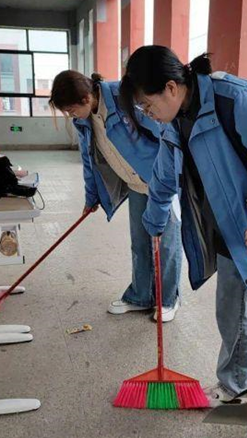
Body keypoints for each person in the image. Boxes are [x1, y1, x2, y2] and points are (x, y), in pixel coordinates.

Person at [118, 47, 247, 430]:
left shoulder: (235, 100)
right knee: (231, 316)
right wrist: (154, 220)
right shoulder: (172, 121)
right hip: (228, 234)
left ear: (171, 87)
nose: (148, 115)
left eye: (148, 105)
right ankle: (235, 385)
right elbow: (164, 174)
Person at [49, 70, 183, 322]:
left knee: (165, 245)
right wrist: (91, 197)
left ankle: (167, 299)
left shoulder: (125, 97)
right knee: (140, 243)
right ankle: (141, 296)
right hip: (135, 184)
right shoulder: (84, 121)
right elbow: (89, 160)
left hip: (160, 183)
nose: (71, 116)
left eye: (72, 110)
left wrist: (170, 177)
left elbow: (165, 132)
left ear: (86, 98)